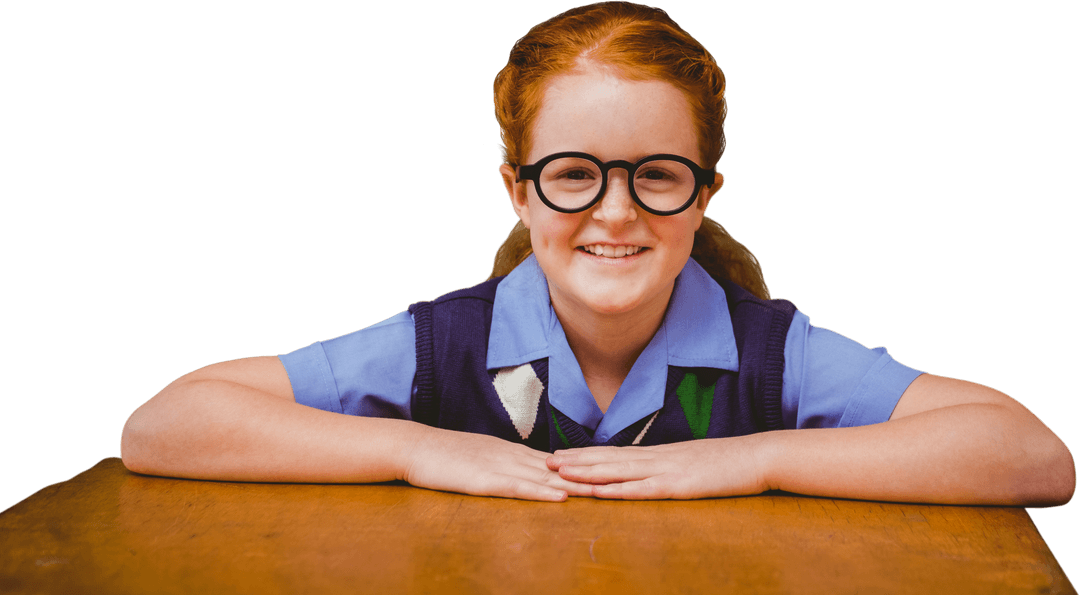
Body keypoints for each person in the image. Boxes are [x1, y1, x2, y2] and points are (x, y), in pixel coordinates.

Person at [120, 1, 1074, 505]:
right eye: (574, 173)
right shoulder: (439, 350)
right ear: (519, 189)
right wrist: (414, 449)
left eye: (657, 175)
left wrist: (755, 459)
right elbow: (165, 427)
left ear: (703, 195)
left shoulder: (770, 356)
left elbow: (1031, 454)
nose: (615, 212)